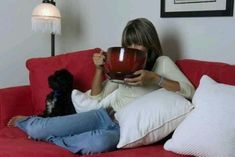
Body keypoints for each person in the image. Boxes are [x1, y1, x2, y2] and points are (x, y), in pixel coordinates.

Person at [8, 18, 195, 155]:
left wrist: (156, 79)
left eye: (139, 46)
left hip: (122, 129)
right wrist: (99, 69)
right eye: (129, 46)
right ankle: (29, 124)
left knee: (96, 143)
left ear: (150, 46)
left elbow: (189, 91)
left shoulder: (161, 64)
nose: (133, 51)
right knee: (36, 129)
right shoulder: (125, 66)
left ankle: (52, 137)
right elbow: (97, 97)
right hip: (103, 115)